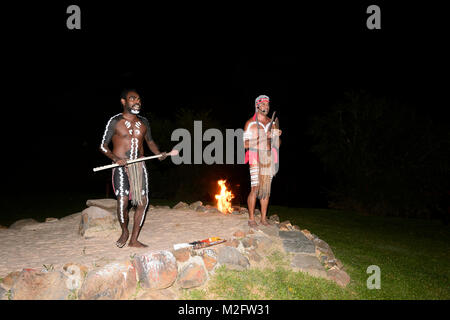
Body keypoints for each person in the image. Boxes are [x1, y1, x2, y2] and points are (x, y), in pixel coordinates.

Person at [99, 89, 167, 247]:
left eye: (139, 99)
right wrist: (116, 159)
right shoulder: (115, 121)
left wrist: (158, 153)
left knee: (143, 202)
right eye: (132, 99)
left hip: (139, 165)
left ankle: (134, 239)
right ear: (123, 101)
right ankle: (125, 231)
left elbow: (149, 142)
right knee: (122, 202)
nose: (137, 102)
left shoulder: (144, 122)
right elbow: (103, 146)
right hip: (121, 166)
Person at [243, 95, 281, 228]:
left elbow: (278, 144)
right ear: (257, 106)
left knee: (266, 190)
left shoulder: (272, 122)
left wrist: (275, 136)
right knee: (255, 187)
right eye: (263, 104)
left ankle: (264, 219)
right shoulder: (250, 123)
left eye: (267, 104)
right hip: (255, 156)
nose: (266, 107)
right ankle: (251, 218)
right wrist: (261, 139)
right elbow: (245, 145)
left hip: (268, 157)